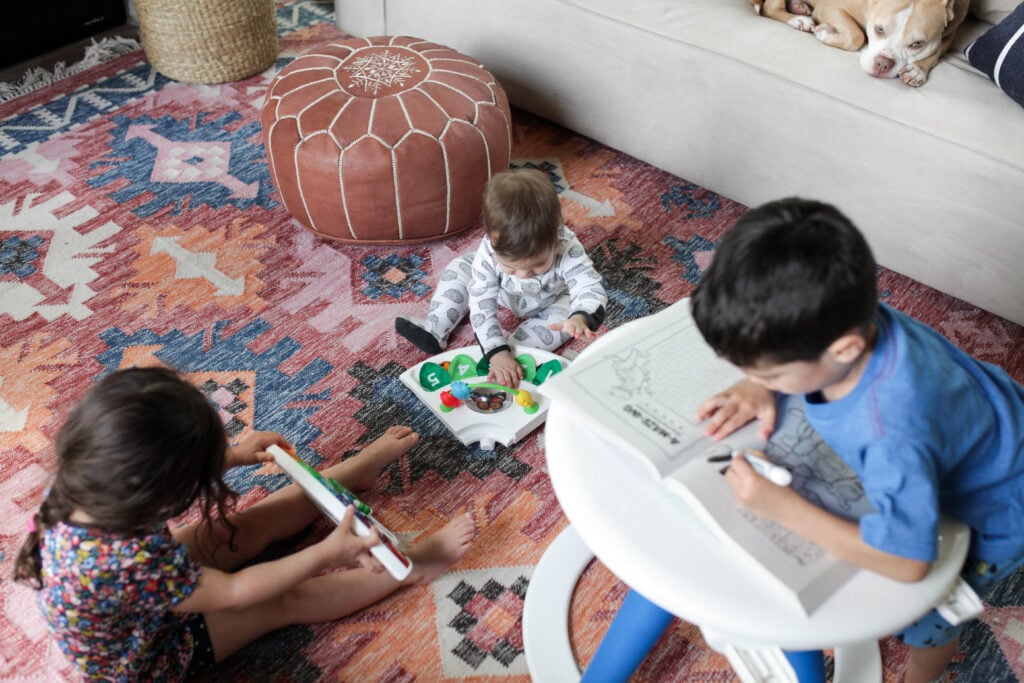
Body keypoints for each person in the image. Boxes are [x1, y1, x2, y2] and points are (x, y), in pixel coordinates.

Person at [689, 197, 1024, 683]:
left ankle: (923, 675)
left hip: (997, 507)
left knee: (929, 613)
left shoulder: (891, 433)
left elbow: (910, 564)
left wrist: (783, 508)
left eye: (774, 372)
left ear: (842, 348)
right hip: (996, 416)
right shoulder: (843, 310)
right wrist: (759, 380)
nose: (757, 379)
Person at [13, 366, 475, 681]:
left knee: (246, 526)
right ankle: (409, 566)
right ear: (156, 495)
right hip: (152, 651)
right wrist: (326, 553)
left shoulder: (89, 475)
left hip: (135, 580)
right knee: (279, 600)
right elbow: (235, 591)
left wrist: (232, 455)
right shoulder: (131, 561)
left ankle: (355, 473)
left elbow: (160, 477)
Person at [395, 167, 607, 387]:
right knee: (461, 267)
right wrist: (494, 350)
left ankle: (515, 352)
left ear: (555, 235)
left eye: (537, 265)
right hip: (503, 292)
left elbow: (589, 285)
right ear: (491, 239)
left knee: (561, 324)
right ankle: (436, 327)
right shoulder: (487, 252)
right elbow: (481, 303)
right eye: (510, 266)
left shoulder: (567, 246)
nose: (524, 274)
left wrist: (580, 317)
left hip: (552, 300)